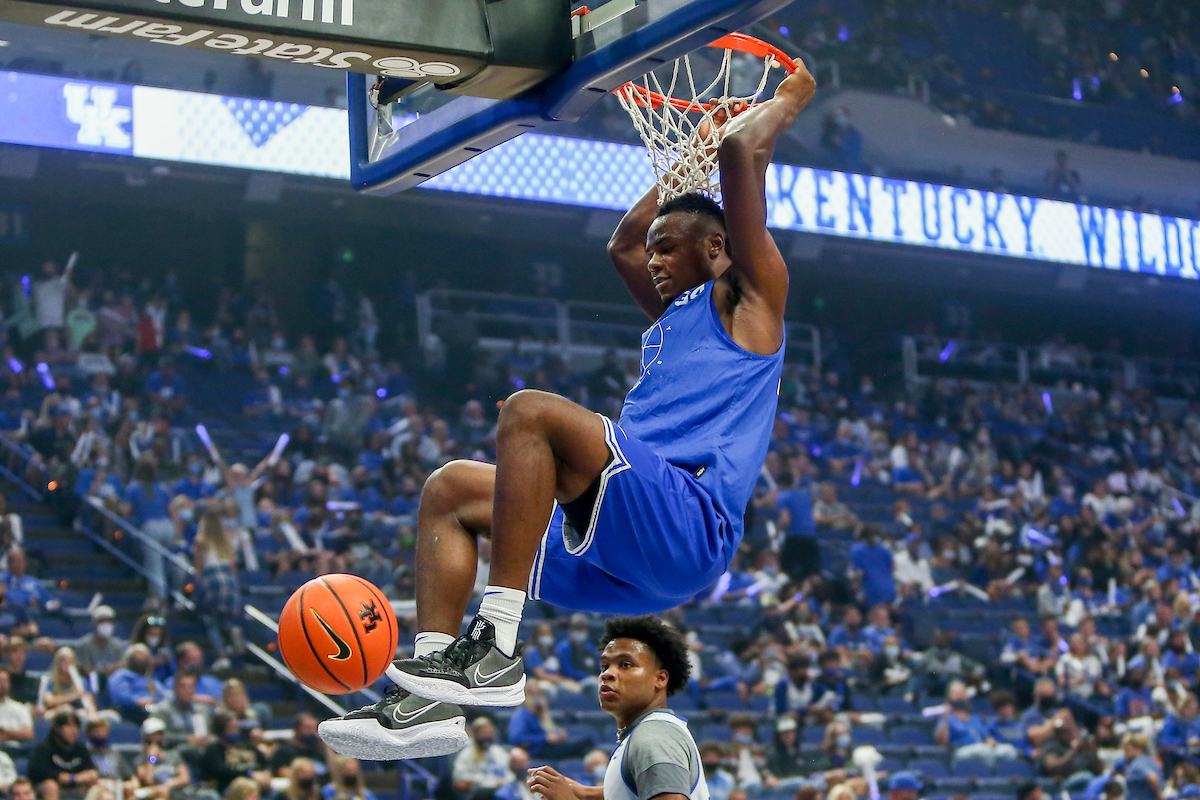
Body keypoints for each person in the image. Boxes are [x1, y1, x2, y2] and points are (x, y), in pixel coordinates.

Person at [317, 58, 818, 759]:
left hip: (686, 524)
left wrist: (790, 95)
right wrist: (689, 153)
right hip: (624, 548)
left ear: (718, 248)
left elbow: (743, 151)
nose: (656, 262)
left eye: (670, 248)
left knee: (530, 412)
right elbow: (621, 244)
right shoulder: (673, 317)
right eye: (656, 253)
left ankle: (494, 643)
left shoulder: (752, 303)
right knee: (450, 492)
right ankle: (427, 699)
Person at [523, 615, 705, 800]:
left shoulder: (653, 737)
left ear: (660, 679)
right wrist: (585, 793)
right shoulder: (651, 732)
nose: (607, 674)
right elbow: (636, 791)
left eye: (626, 664)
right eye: (604, 666)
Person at [28, 709, 99, 800]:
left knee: (97, 785)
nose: (74, 731)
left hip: (75, 786)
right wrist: (69, 778)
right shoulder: (44, 747)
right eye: (69, 726)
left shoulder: (80, 747)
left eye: (76, 726)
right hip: (49, 788)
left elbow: (91, 771)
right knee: (50, 786)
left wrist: (76, 777)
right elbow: (40, 774)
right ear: (57, 728)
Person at [452, 717, 513, 800]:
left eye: (490, 733)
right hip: (481, 793)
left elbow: (510, 772)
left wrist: (506, 781)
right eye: (484, 733)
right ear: (476, 734)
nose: (487, 736)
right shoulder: (467, 754)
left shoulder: (499, 752)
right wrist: (486, 781)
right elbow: (460, 777)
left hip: (503, 790)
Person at [74, 605, 129, 682]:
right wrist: (109, 669)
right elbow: (86, 671)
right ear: (94, 623)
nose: (106, 624)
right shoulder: (84, 645)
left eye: (109, 621)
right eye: (102, 621)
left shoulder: (119, 645)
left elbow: (123, 667)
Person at [0, 669, 33, 744]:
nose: (2, 684)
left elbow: (29, 734)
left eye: (5, 681)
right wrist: (15, 734)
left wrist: (4, 731)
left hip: (16, 749)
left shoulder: (19, 708)